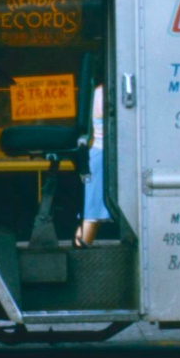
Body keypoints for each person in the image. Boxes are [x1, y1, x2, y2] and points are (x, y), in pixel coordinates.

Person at [74, 82, 110, 248]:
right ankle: (81, 252)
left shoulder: (96, 92)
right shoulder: (105, 92)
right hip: (104, 155)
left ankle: (82, 250)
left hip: (96, 155)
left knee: (90, 213)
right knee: (91, 214)